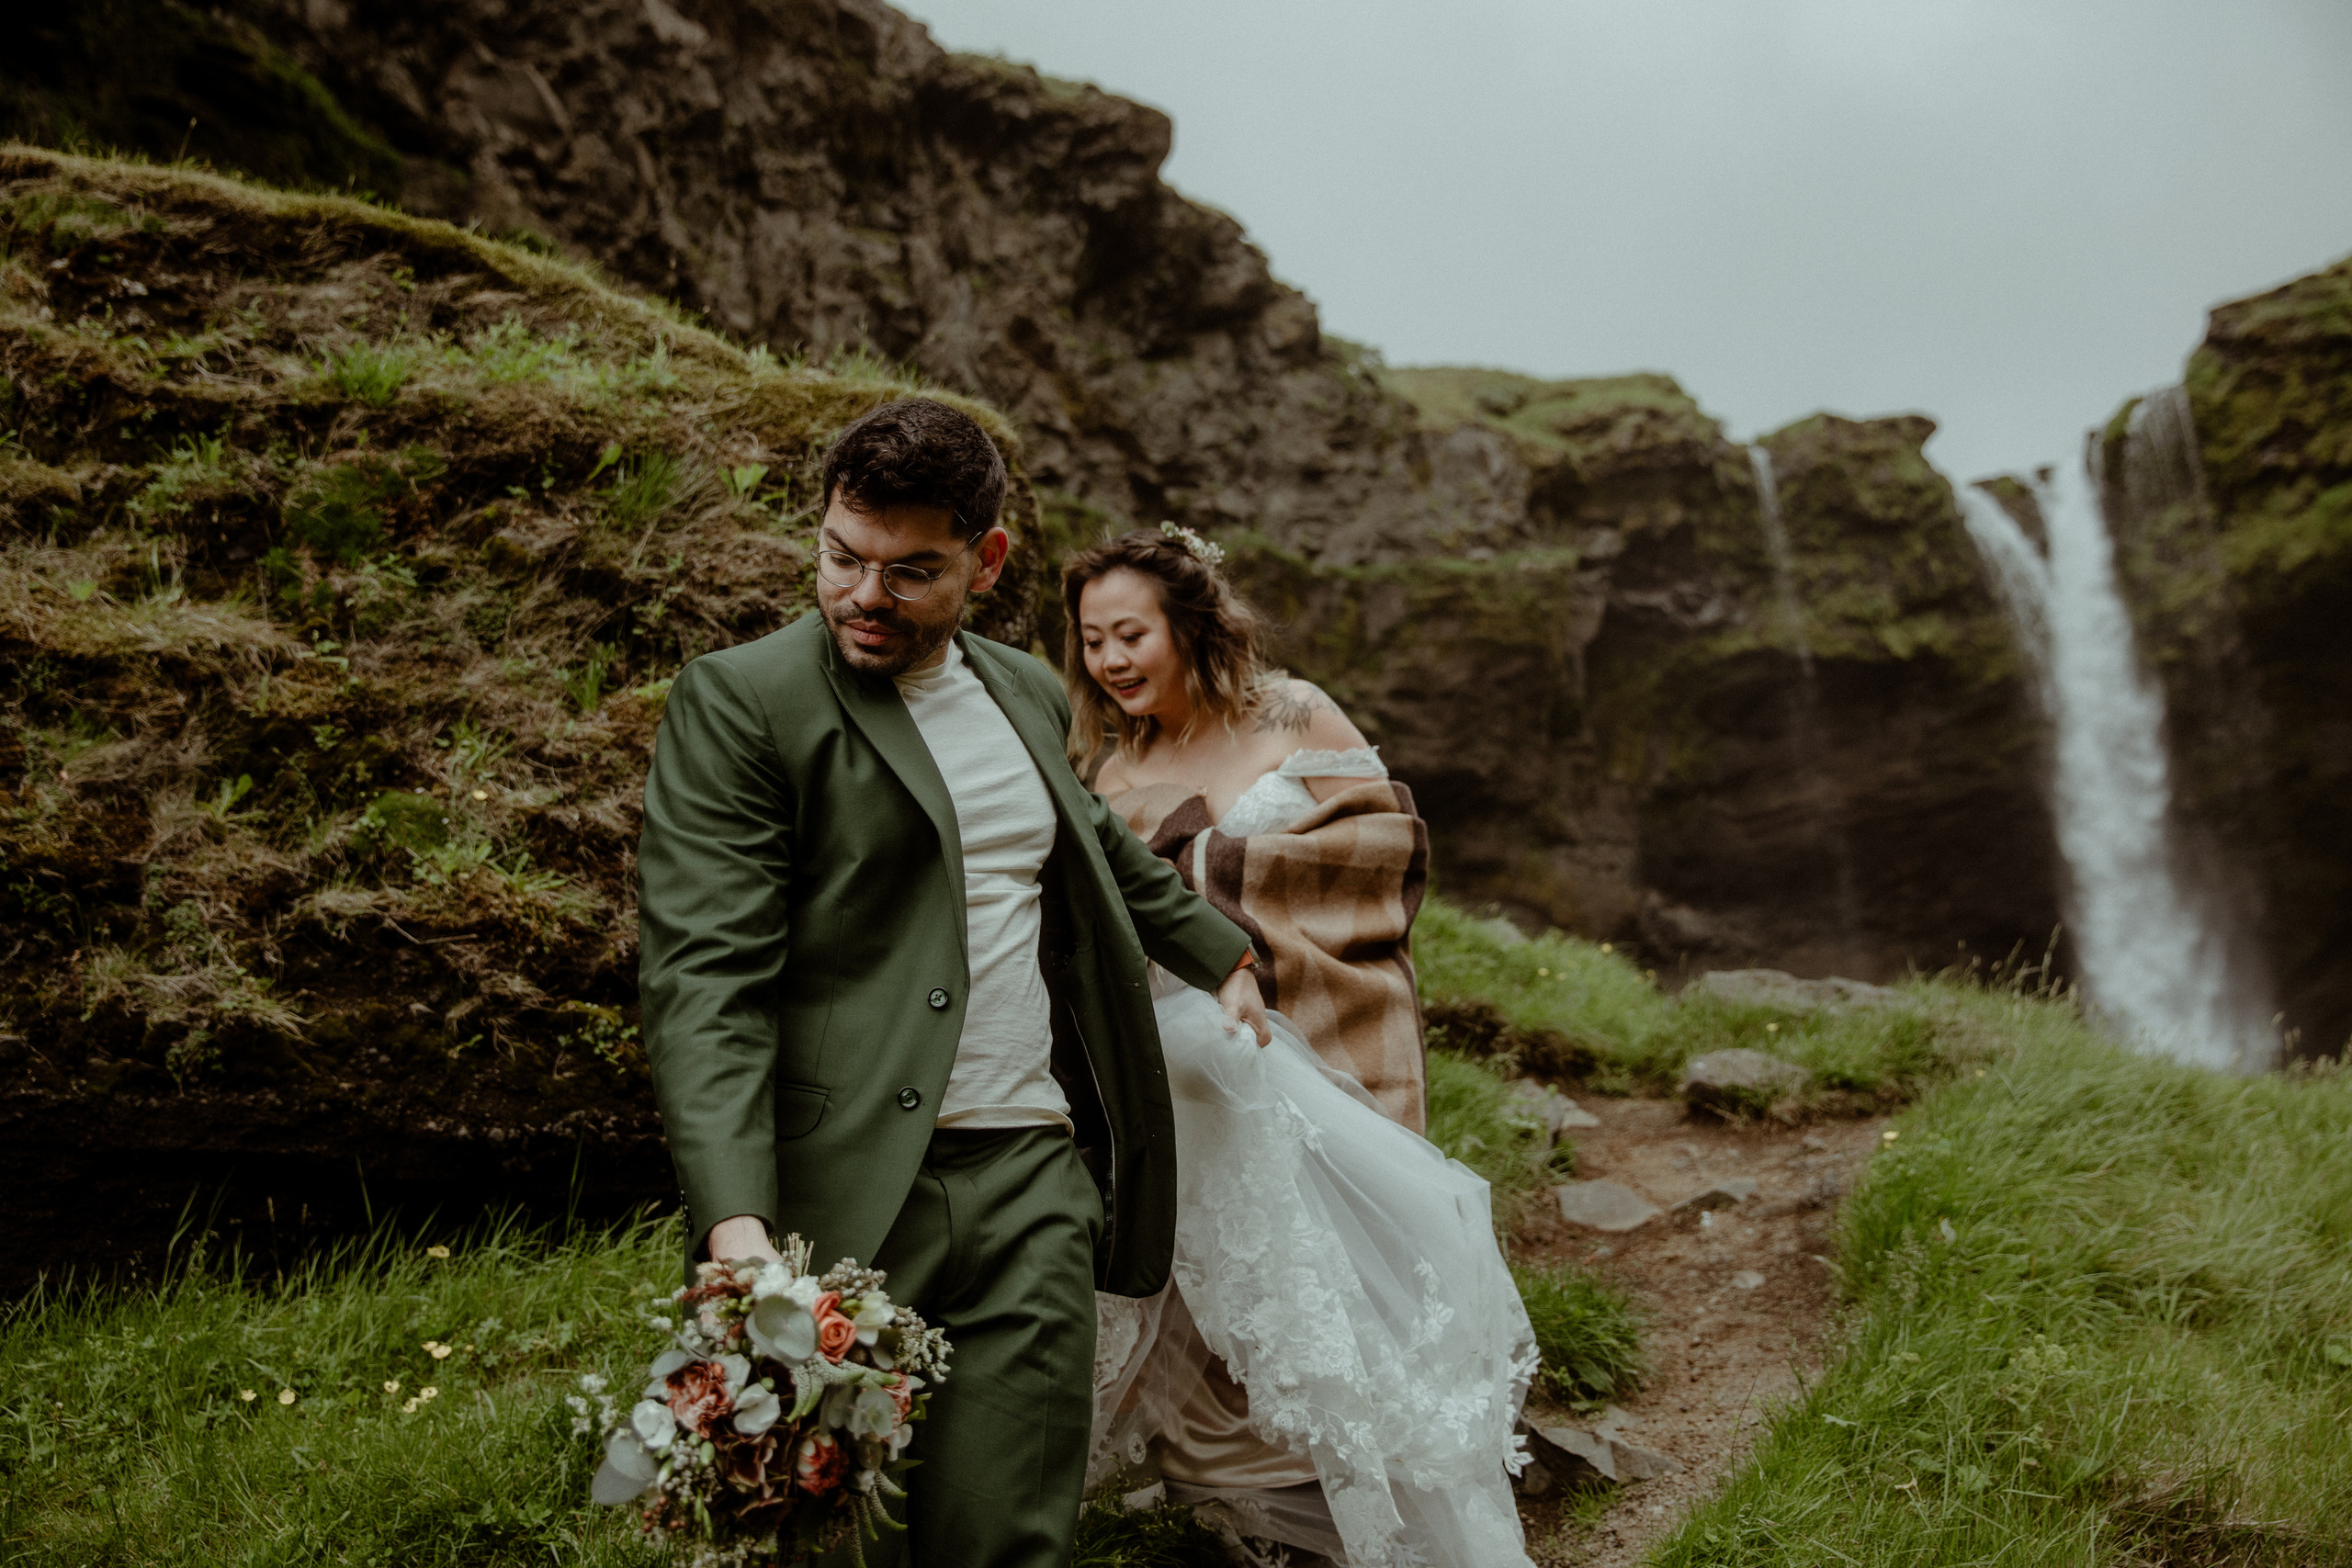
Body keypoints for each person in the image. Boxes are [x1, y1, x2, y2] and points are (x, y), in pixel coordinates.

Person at [637, 400, 1271, 1568]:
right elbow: (705, 978)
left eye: (910, 572)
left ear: (987, 561)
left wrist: (1221, 953)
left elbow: (1092, 845)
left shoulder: (1026, 690)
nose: (864, 598)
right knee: (814, 1545)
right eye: (842, 558)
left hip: (1032, 1180)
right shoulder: (739, 702)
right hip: (833, 1197)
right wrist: (736, 1220)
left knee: (1007, 1542)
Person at [1066, 525, 1539, 1568]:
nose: (1111, 661)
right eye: (1093, 641)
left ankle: (1395, 1482)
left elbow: (1380, 846)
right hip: (1187, 1061)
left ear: (1189, 622)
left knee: (1346, 1263)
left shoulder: (1296, 712)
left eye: (1130, 634)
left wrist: (1211, 876)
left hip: (1319, 1032)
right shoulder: (1108, 766)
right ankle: (1244, 1504)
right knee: (1226, 1274)